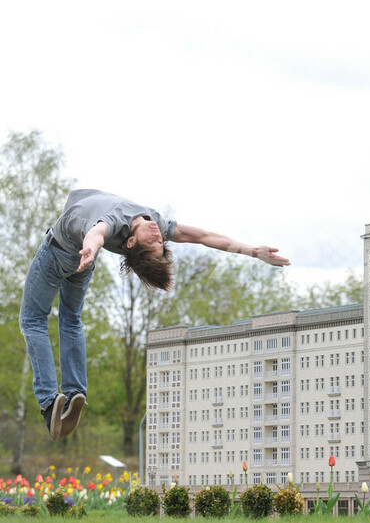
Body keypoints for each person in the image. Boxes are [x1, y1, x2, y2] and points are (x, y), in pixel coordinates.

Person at [19, 189, 290, 441]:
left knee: (32, 320)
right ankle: (75, 391)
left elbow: (99, 231)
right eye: (159, 240)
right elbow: (203, 237)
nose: (157, 234)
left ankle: (48, 402)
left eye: (153, 240)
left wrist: (91, 247)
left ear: (131, 241)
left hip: (63, 251)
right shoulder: (156, 223)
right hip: (83, 261)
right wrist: (252, 251)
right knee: (71, 320)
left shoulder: (115, 222)